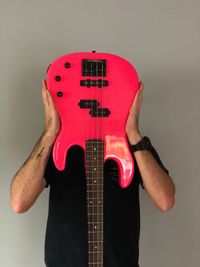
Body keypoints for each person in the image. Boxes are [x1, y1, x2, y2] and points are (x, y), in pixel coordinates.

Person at [10, 80, 175, 267]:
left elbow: (165, 200)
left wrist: (134, 134)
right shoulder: (57, 146)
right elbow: (19, 202)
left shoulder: (135, 146)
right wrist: (49, 133)